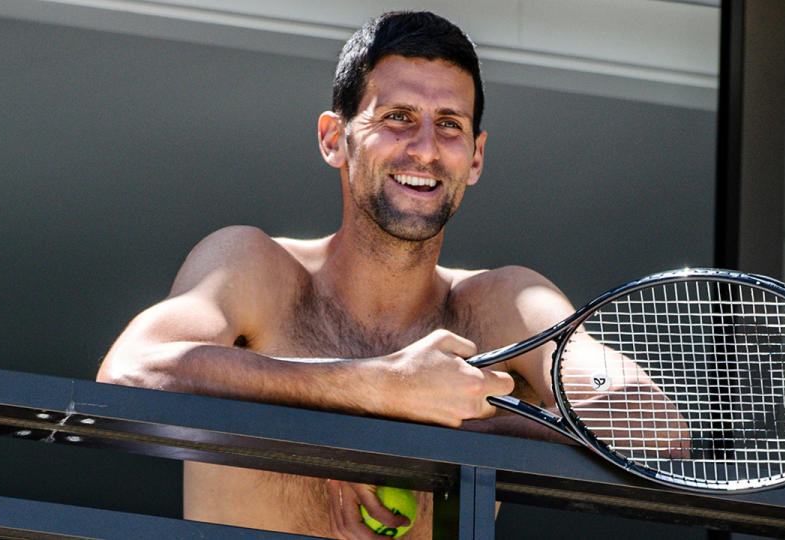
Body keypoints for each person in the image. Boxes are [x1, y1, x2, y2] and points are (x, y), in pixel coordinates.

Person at [97, 11, 678, 539]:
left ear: (475, 158)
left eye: (449, 125)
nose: (425, 149)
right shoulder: (254, 266)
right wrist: (376, 393)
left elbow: (653, 427)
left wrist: (437, 436)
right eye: (398, 117)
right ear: (335, 138)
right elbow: (130, 375)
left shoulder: (505, 303)